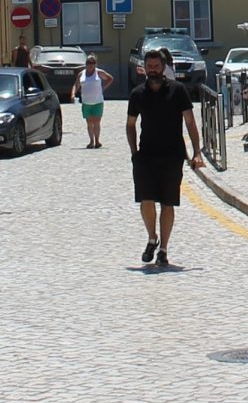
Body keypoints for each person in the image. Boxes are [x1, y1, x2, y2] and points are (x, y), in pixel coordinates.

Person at [123, 48, 204, 267]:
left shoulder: (178, 91)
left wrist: (197, 152)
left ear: (163, 67)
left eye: (157, 67)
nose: (153, 71)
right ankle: (152, 238)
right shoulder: (137, 94)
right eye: (149, 67)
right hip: (146, 155)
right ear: (144, 69)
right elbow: (130, 124)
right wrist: (134, 153)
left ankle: (164, 249)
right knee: (146, 200)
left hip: (172, 155)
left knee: (168, 204)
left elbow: (190, 122)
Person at [75, 56, 111, 149]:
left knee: (97, 122)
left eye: (93, 63)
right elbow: (76, 85)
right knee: (89, 122)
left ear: (95, 64)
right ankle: (91, 141)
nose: (90, 65)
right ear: (86, 64)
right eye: (88, 63)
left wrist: (103, 88)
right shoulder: (81, 74)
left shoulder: (99, 72)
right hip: (86, 102)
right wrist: (72, 94)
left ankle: (97, 141)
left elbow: (110, 78)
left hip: (97, 101)